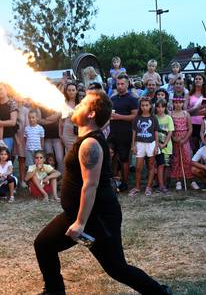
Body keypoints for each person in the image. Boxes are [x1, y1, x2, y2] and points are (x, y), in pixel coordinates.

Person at [34, 89, 171, 294]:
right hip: (77, 213)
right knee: (44, 244)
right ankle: (55, 291)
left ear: (91, 114)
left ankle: (159, 293)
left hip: (98, 218)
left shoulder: (91, 143)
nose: (77, 105)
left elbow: (91, 185)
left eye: (82, 104)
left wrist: (80, 224)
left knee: (117, 268)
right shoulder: (85, 136)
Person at [108, 75, 138, 191]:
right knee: (109, 153)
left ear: (127, 84)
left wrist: (119, 116)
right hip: (113, 132)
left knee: (124, 159)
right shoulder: (113, 98)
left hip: (125, 133)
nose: (120, 86)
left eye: (122, 84)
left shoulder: (132, 99)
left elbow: (135, 116)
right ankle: (113, 180)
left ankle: (125, 183)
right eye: (118, 84)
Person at [129, 98, 159, 196]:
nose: (144, 107)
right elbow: (134, 132)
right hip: (140, 144)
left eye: (146, 105)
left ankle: (148, 187)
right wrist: (133, 145)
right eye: (142, 105)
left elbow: (156, 133)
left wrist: (156, 147)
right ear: (140, 106)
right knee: (138, 167)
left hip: (151, 144)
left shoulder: (153, 118)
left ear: (150, 106)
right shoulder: (137, 118)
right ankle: (137, 187)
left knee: (151, 166)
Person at [170, 97, 195, 191]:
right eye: (175, 103)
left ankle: (190, 179)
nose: (177, 105)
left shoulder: (186, 114)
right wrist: (173, 138)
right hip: (175, 138)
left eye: (180, 103)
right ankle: (178, 180)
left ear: (182, 103)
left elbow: (190, 128)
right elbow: (170, 128)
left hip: (185, 138)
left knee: (186, 158)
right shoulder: (171, 114)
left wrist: (185, 139)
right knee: (176, 159)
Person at [185, 73, 206, 152]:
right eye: (196, 79)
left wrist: (192, 112)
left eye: (200, 79)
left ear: (203, 81)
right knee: (194, 146)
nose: (197, 80)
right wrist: (197, 108)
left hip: (205, 122)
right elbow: (185, 111)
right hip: (192, 123)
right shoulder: (189, 94)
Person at [155, 99, 174, 193]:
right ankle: (160, 184)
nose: (160, 109)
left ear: (165, 107)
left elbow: (170, 132)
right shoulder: (154, 118)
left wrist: (165, 143)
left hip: (167, 146)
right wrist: (158, 144)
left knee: (167, 165)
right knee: (159, 165)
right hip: (157, 146)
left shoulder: (168, 118)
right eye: (158, 106)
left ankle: (165, 184)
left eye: (162, 106)